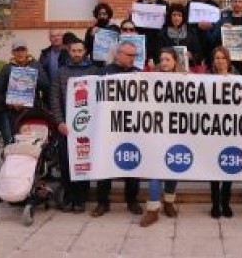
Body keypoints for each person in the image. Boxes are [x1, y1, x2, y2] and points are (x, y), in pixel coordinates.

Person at [91, 41, 143, 217]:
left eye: (134, 55)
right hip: (108, 128)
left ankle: (132, 201)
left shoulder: (139, 74)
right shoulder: (104, 72)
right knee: (105, 164)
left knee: (132, 163)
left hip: (131, 128)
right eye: (129, 55)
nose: (132, 59)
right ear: (119, 54)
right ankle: (102, 203)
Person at [50, 38, 99, 213]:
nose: (77, 54)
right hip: (66, 129)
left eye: (80, 50)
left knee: (83, 163)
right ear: (69, 52)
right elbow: (54, 99)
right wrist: (59, 122)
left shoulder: (94, 71)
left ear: (85, 52)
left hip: (86, 128)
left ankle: (80, 199)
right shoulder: (60, 72)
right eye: (73, 51)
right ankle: (68, 196)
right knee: (66, 164)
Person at [140, 47, 185, 227]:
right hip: (156, 131)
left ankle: (168, 202)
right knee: (155, 170)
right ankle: (153, 209)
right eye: (162, 59)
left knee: (173, 168)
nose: (164, 62)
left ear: (175, 61)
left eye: (168, 59)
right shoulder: (151, 79)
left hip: (177, 131)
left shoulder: (184, 79)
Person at [0, 38, 49, 145]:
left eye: (22, 50)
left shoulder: (36, 65)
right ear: (12, 52)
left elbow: (46, 86)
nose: (20, 53)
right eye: (17, 50)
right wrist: (10, 104)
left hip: (33, 112)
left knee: (33, 143)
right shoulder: (7, 68)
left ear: (27, 51)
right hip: (14, 114)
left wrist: (33, 74)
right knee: (15, 143)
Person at [209, 46, 238, 218]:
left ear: (228, 60)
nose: (220, 61)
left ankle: (225, 202)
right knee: (214, 169)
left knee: (228, 167)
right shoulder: (207, 79)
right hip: (213, 129)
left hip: (231, 129)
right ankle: (215, 204)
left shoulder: (237, 78)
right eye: (217, 58)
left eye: (223, 58)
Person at [133, 0, 169, 65]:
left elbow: (168, 24)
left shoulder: (165, 5)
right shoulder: (137, 5)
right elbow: (132, 24)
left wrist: (166, 16)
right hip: (143, 42)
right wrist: (131, 15)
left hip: (158, 42)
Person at [186, 0, 220, 69]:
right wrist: (197, 25)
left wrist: (211, 25)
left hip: (210, 44)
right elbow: (186, 23)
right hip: (194, 42)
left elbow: (218, 24)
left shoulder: (215, 5)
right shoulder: (190, 4)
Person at [159, 3, 203, 69]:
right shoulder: (163, 33)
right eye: (174, 15)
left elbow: (199, 54)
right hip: (168, 69)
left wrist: (191, 56)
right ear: (170, 17)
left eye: (179, 15)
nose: (176, 18)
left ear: (183, 17)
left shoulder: (191, 33)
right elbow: (158, 52)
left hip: (188, 70)